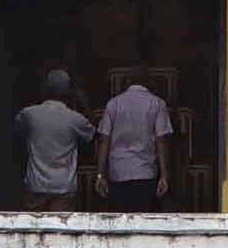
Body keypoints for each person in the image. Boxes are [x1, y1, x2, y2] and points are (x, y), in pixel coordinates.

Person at [12, 69, 93, 214]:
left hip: (36, 185)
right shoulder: (75, 119)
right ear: (68, 92)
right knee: (59, 232)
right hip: (64, 187)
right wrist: (82, 101)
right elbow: (92, 133)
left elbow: (17, 131)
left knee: (32, 231)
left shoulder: (29, 115)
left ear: (45, 89)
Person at [96, 75, 173, 212]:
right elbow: (161, 141)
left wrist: (100, 174)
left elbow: (104, 140)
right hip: (146, 173)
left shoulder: (114, 104)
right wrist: (164, 176)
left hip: (118, 173)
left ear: (128, 83)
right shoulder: (157, 104)